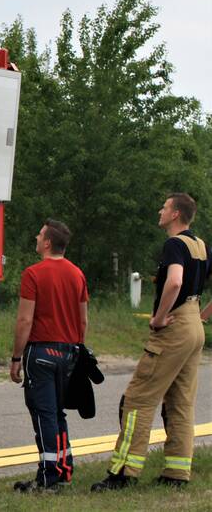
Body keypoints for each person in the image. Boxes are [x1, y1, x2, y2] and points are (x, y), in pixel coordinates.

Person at [93, 193, 210, 491]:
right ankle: (177, 472)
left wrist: (159, 318)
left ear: (175, 215)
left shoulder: (174, 244)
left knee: (138, 399)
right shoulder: (201, 246)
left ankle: (123, 472)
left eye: (164, 207)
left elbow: (174, 282)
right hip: (194, 323)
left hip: (175, 326)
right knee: (181, 401)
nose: (160, 210)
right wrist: (203, 315)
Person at [9, 219, 89, 492]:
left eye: (39, 234)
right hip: (68, 351)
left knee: (43, 414)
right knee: (57, 413)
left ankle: (48, 476)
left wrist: (16, 357)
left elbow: (24, 320)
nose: (36, 236)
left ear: (47, 243)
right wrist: (77, 349)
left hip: (41, 350)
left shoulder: (33, 273)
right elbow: (83, 321)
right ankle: (64, 469)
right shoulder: (77, 274)